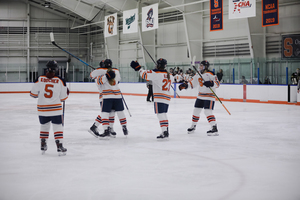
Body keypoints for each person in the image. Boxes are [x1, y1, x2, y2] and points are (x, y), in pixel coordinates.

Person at [30, 60, 69, 155]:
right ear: (56, 69)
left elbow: (33, 94)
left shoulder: (39, 78)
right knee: (58, 126)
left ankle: (43, 144)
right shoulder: (61, 80)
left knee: (44, 126)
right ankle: (59, 146)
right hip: (55, 109)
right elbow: (63, 98)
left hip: (42, 109)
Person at [130, 58, 174, 139]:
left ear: (159, 65)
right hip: (167, 97)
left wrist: (139, 68)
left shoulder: (156, 73)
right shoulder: (170, 75)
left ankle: (164, 131)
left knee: (160, 115)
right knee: (163, 114)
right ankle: (165, 130)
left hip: (160, 97)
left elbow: (144, 74)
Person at [179, 60, 220, 136]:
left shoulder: (211, 74)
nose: (200, 67)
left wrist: (211, 83)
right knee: (196, 111)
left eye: (202, 66)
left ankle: (214, 127)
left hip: (209, 96)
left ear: (206, 67)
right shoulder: (197, 74)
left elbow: (217, 83)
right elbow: (192, 84)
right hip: (200, 96)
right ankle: (193, 126)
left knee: (207, 112)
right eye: (200, 66)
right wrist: (185, 86)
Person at [96, 59, 128, 139]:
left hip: (107, 96)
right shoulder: (116, 71)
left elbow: (99, 82)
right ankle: (124, 126)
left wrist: (101, 74)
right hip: (117, 95)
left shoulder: (102, 74)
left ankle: (106, 130)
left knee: (105, 113)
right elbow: (118, 81)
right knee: (120, 112)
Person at [88, 60, 116, 138]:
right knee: (106, 113)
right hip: (104, 96)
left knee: (109, 112)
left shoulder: (99, 72)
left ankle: (98, 127)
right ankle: (96, 127)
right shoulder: (100, 74)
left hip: (109, 96)